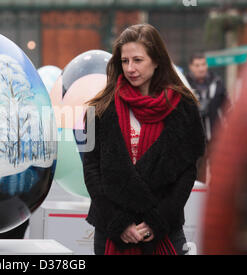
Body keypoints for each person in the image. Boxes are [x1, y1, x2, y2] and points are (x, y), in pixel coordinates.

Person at [83, 24, 206, 255]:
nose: (130, 68)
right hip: (111, 227)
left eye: (138, 60)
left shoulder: (183, 108)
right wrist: (119, 223)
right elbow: (91, 169)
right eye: (124, 61)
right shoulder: (99, 109)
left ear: (157, 60)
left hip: (164, 227)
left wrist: (156, 221)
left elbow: (187, 172)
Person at [185, 52, 228, 143]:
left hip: (216, 137)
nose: (201, 69)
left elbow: (228, 107)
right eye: (197, 65)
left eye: (203, 64)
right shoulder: (184, 86)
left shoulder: (217, 82)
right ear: (190, 67)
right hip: (192, 139)